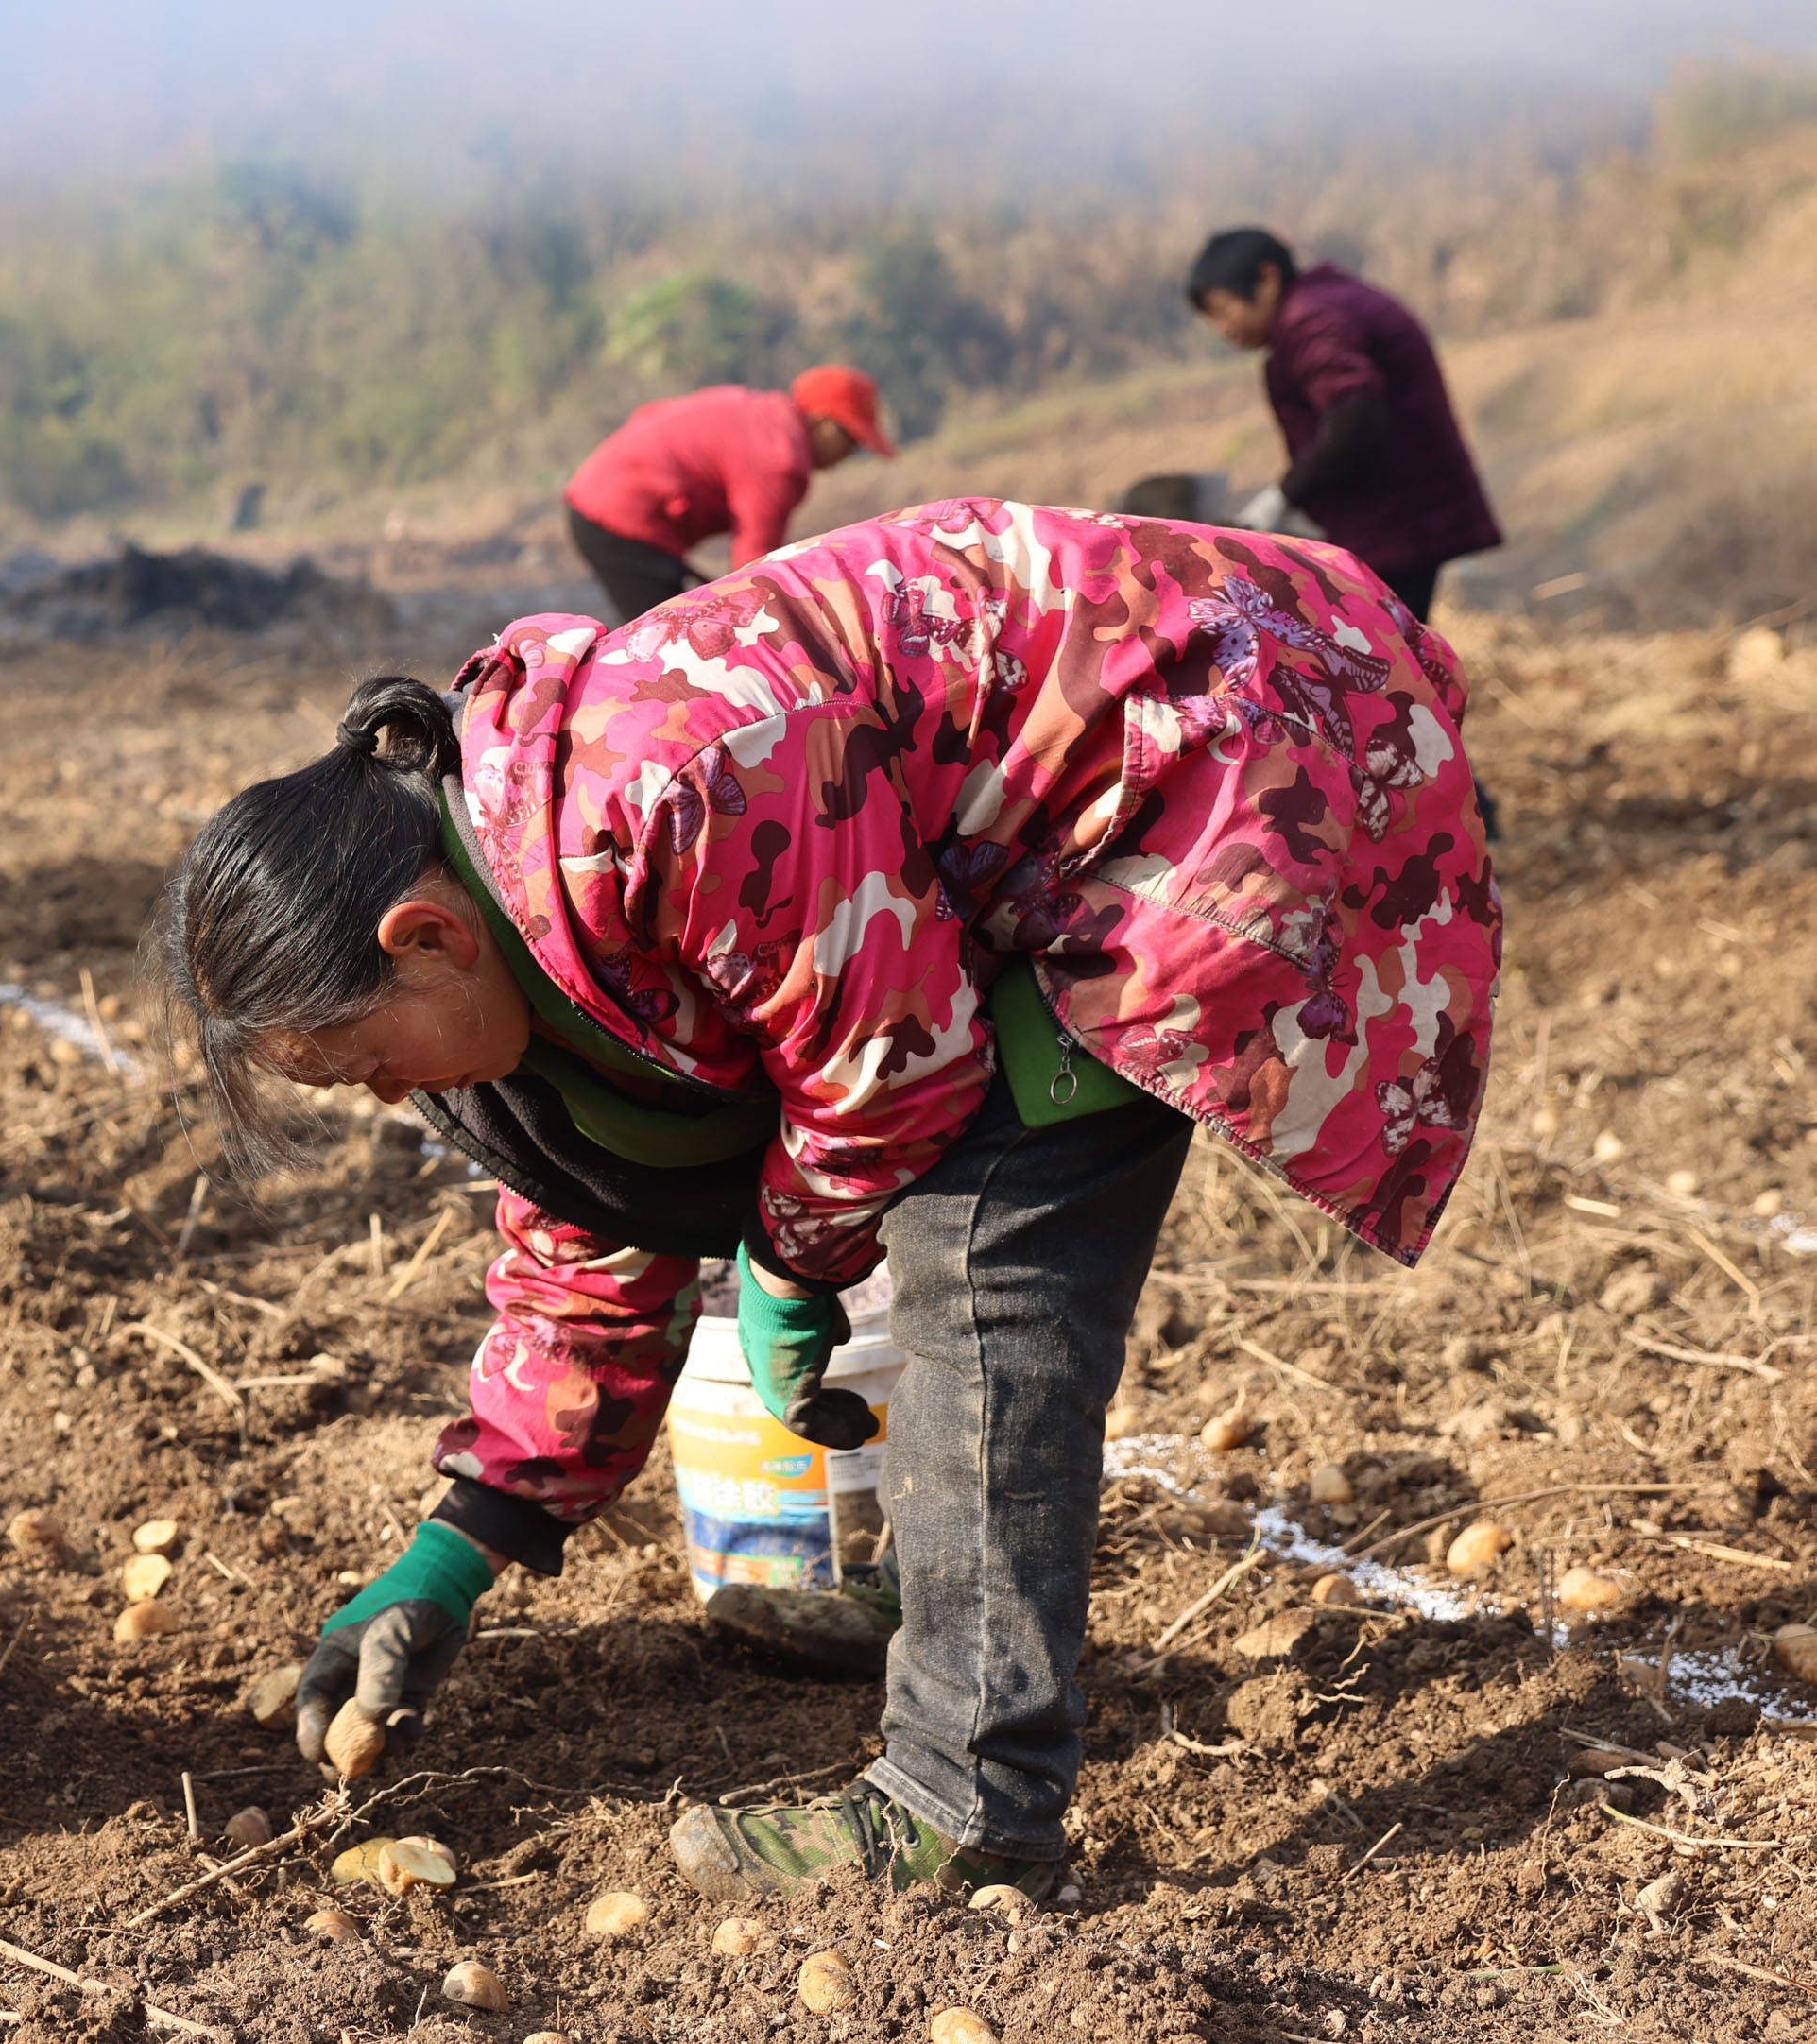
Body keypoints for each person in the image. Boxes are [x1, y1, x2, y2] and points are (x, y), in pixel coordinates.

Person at [149, 498, 1496, 1901]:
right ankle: (936, 1598)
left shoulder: (663, 781)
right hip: (1054, 820)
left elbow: (891, 1068)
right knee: (942, 1210)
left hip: (1222, 748)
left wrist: (786, 1260)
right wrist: (460, 1542)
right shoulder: (513, 910)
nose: (383, 1099)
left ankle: (960, 1795)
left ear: (418, 936)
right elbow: (600, 1209)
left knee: (983, 1245)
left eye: (365, 1064)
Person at [1187, 228, 1501, 622]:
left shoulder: (1312, 320)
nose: (1223, 329)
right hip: (1406, 514)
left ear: (1267, 279)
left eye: (1223, 310)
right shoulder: (1328, 304)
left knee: (1381, 653)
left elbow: (1355, 416)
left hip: (1397, 519)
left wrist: (1278, 500)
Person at [562, 364, 894, 623]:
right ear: (824, 423)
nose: (848, 456)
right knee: (663, 648)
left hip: (599, 502)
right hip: (620, 519)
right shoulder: (780, 458)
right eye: (851, 442)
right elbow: (754, 567)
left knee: (671, 628)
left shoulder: (760, 414)